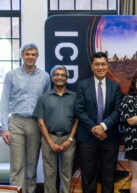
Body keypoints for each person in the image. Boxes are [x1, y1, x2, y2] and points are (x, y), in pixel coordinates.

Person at [0, 43, 51, 193]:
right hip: (16, 122)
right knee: (17, 166)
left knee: (31, 165)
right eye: (27, 54)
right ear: (22, 56)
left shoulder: (45, 77)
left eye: (33, 54)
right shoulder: (11, 75)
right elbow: (4, 102)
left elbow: (46, 103)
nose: (30, 57)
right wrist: (4, 128)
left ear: (37, 56)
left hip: (35, 124)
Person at [74, 52, 122, 193]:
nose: (100, 67)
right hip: (87, 138)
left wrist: (103, 126)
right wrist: (95, 129)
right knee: (88, 176)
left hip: (109, 137)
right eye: (97, 64)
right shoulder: (82, 85)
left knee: (108, 175)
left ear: (107, 66)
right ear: (92, 66)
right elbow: (79, 110)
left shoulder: (115, 87)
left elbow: (118, 111)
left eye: (103, 64)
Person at [33, 65, 78, 193]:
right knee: (49, 174)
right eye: (57, 75)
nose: (60, 77)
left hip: (68, 138)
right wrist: (50, 142)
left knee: (67, 173)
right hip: (49, 138)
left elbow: (77, 119)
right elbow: (40, 122)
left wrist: (70, 139)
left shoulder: (74, 97)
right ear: (52, 78)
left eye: (63, 75)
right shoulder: (44, 98)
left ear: (67, 78)